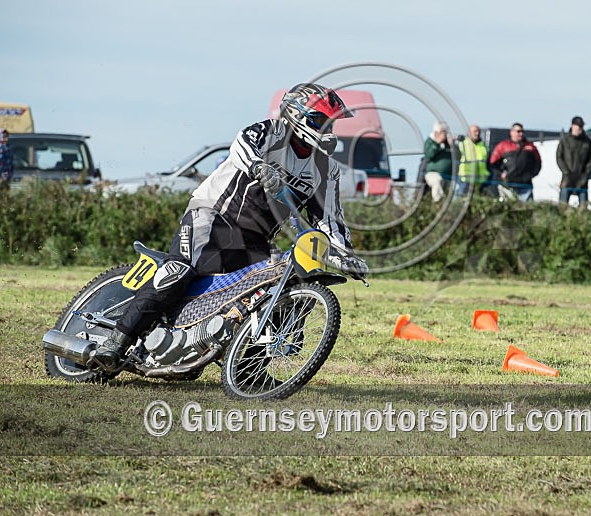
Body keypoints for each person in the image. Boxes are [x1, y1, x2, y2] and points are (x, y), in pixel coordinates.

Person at [93, 83, 369, 371]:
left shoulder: (326, 170)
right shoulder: (271, 132)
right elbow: (242, 145)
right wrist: (259, 168)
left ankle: (251, 370)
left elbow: (330, 220)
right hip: (212, 216)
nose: (328, 131)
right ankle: (116, 340)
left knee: (280, 289)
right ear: (297, 116)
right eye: (321, 121)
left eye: (332, 124)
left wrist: (345, 254)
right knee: (179, 272)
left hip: (257, 240)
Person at [488, 122, 542, 201]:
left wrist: (532, 174)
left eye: (522, 131)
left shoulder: (531, 146)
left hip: (525, 185)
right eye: (518, 131)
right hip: (508, 185)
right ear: (511, 132)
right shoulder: (503, 145)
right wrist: (501, 174)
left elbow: (538, 162)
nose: (521, 134)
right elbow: (493, 163)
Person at [556, 116, 591, 204]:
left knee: (583, 209)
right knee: (563, 208)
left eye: (581, 126)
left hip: (582, 180)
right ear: (573, 126)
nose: (580, 128)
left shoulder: (587, 142)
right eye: (578, 126)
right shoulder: (565, 141)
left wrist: (585, 175)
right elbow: (559, 157)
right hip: (567, 179)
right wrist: (566, 172)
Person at [422, 121, 457, 202]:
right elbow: (429, 154)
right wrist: (437, 143)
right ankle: (438, 203)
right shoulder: (430, 141)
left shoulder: (448, 143)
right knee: (437, 182)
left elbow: (457, 156)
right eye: (442, 132)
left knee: (452, 190)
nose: (444, 135)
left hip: (448, 176)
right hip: (433, 173)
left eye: (446, 132)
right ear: (436, 133)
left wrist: (452, 145)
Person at [457, 124, 489, 196]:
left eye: (478, 131)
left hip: (480, 181)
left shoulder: (483, 145)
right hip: (465, 179)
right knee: (462, 199)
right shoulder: (463, 143)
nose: (477, 133)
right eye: (475, 131)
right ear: (469, 132)